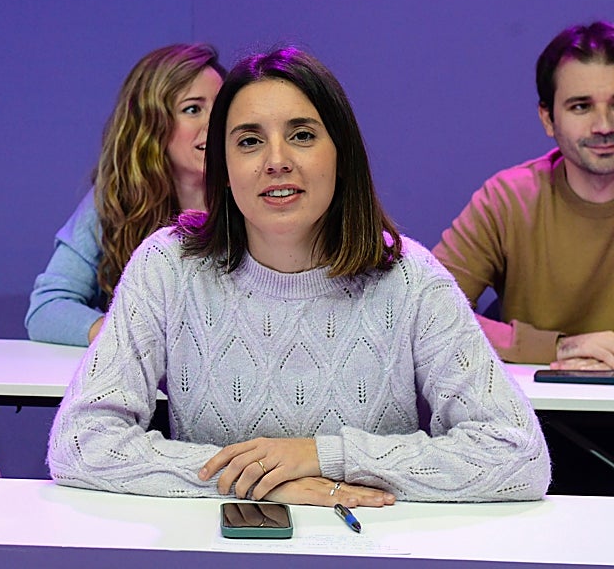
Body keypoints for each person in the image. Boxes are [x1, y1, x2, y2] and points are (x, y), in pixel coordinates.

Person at [48, 47, 549, 504]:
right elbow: (81, 444)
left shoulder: (410, 277)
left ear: (342, 153)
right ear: (222, 165)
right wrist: (262, 481)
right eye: (249, 141)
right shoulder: (168, 266)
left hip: (372, 551)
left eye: (302, 135)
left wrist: (323, 457)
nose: (277, 161)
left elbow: (519, 456)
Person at [433, 20, 614, 496]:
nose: (604, 125)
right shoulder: (508, 198)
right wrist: (558, 350)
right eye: (581, 106)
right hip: (538, 435)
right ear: (548, 119)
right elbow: (430, 317)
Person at [25, 43, 225, 346]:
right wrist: (129, 336)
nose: (215, 124)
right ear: (152, 124)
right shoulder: (113, 201)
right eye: (193, 109)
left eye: (222, 108)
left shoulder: (253, 196)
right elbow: (46, 309)